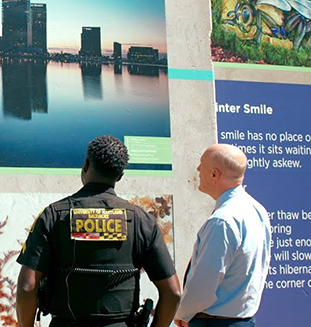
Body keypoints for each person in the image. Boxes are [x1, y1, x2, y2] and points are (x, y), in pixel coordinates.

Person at [16, 135, 181, 327]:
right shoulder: (141, 221)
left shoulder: (53, 216)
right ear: (120, 176)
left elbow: (27, 287)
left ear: (85, 165)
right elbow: (173, 293)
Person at [174, 144, 272, 327]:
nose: (197, 169)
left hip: (214, 322)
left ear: (214, 175)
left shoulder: (223, 221)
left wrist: (182, 314)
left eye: (201, 164)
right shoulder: (257, 210)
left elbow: (204, 282)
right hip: (242, 319)